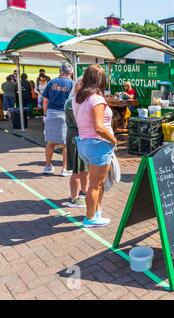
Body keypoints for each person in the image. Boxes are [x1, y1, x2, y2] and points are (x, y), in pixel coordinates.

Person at [73, 64, 117, 228]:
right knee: (95, 184)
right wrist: (113, 140)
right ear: (101, 81)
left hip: (83, 143)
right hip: (98, 144)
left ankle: (97, 211)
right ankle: (90, 217)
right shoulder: (97, 99)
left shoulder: (78, 97)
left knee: (98, 184)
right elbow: (99, 127)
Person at [42, 62, 74, 176]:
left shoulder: (51, 82)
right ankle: (64, 169)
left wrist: (45, 115)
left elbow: (45, 100)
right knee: (65, 144)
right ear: (71, 72)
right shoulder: (72, 84)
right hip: (65, 115)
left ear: (60, 71)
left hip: (51, 114)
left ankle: (48, 166)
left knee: (50, 142)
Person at [62, 77, 89, 208]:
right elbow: (80, 122)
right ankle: (74, 198)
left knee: (84, 167)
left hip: (81, 135)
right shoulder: (72, 102)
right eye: (81, 84)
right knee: (76, 169)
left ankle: (83, 192)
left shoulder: (80, 101)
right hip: (76, 135)